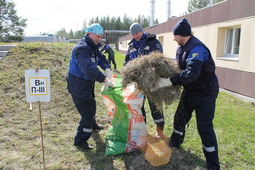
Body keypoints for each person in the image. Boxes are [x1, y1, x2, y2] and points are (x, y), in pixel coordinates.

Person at [152, 18, 220, 169]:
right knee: (179, 118)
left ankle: (213, 165)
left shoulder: (197, 49)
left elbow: (191, 74)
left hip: (205, 94)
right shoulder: (181, 48)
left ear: (182, 34)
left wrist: (169, 81)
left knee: (205, 129)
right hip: (190, 91)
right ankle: (175, 143)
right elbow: (178, 68)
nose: (173, 38)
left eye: (175, 35)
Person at [66, 23, 115, 150]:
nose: (99, 39)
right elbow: (88, 68)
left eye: (100, 37)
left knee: (92, 105)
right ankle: (80, 140)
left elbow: (101, 58)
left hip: (87, 83)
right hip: (78, 83)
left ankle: (92, 126)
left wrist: (107, 68)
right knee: (87, 113)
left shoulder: (93, 46)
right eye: (97, 37)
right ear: (89, 34)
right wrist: (103, 79)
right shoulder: (81, 48)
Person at [124, 23, 165, 138]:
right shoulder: (131, 45)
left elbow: (158, 60)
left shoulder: (153, 42)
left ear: (142, 31)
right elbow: (127, 61)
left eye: (137, 33)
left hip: (152, 81)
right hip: (137, 83)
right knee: (138, 107)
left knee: (155, 106)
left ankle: (160, 131)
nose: (135, 36)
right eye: (133, 34)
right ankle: (142, 131)